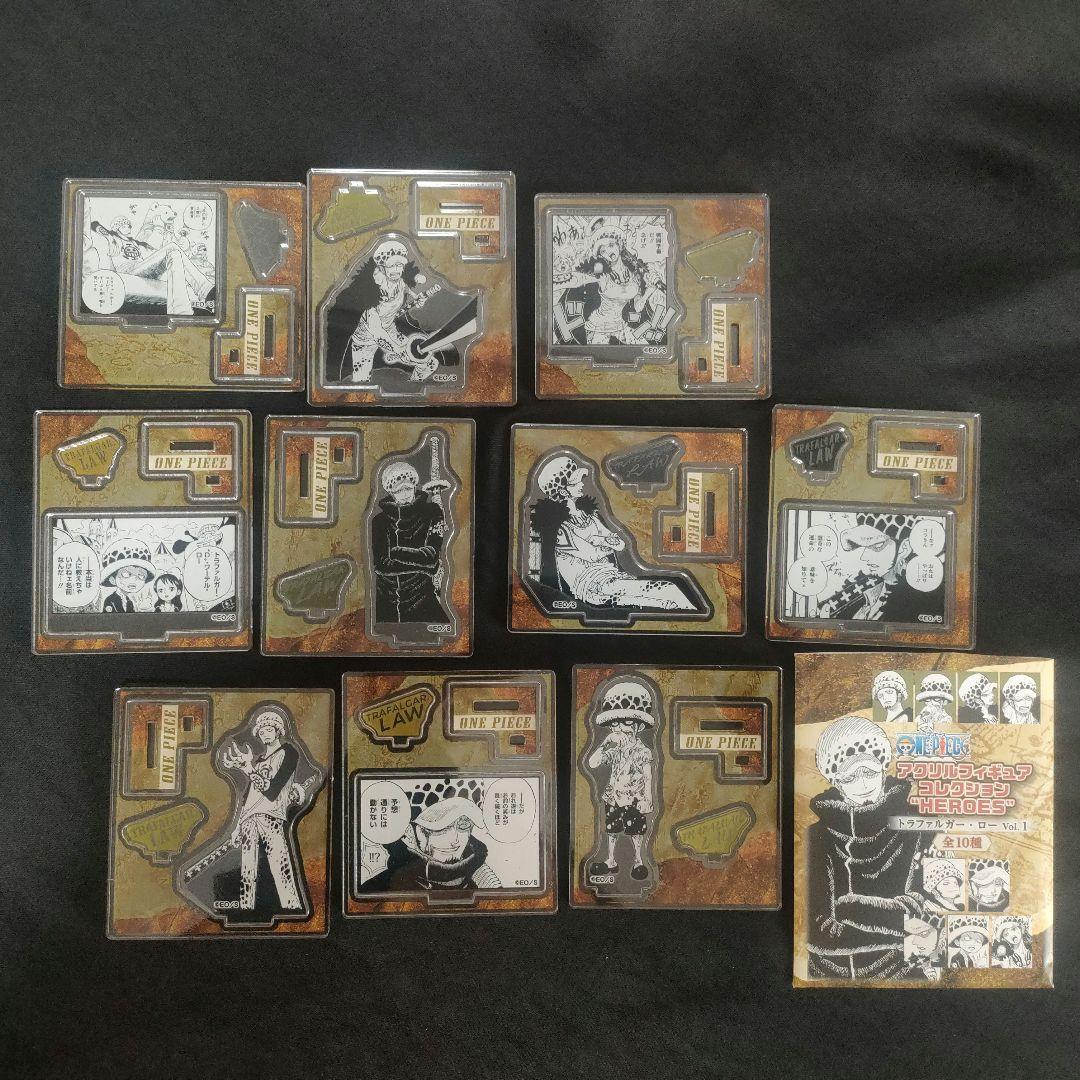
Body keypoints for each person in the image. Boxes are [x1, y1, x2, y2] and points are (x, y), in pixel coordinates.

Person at [806, 714, 935, 980]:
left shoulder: (919, 826)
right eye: (850, 776)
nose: (863, 783)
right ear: (836, 781)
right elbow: (818, 930)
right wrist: (896, 923)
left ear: (883, 769)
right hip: (824, 974)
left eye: (869, 771)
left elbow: (925, 913)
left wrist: (850, 909)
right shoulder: (817, 836)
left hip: (903, 971)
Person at [528, 453, 698, 612]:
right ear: (563, 491)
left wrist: (601, 541)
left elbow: (620, 545)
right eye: (576, 482)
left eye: (581, 480)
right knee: (667, 590)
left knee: (668, 599)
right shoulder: (558, 529)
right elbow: (591, 555)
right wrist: (606, 542)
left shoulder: (590, 515)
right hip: (591, 587)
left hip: (612, 577)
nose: (582, 484)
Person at [326, 238, 455, 385]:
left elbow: (408, 294)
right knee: (361, 383)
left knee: (429, 363)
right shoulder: (368, 293)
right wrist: (399, 350)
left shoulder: (400, 283)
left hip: (390, 330)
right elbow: (377, 332)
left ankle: (412, 386)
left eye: (399, 265)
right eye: (391, 265)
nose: (396, 270)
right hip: (365, 340)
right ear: (381, 267)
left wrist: (418, 300)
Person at [221, 708, 304, 913]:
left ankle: (292, 908)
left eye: (269, 729)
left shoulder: (289, 752)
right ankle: (246, 911)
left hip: (271, 817)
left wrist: (248, 769)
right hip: (249, 819)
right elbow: (249, 797)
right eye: (261, 730)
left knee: (281, 866)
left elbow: (273, 791)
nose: (265, 733)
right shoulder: (258, 761)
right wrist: (237, 826)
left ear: (278, 731)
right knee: (247, 871)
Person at [585, 679, 658, 882]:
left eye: (626, 722)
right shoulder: (613, 747)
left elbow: (648, 775)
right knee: (612, 829)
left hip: (634, 797)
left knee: (636, 830)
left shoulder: (642, 750)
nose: (620, 728)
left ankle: (638, 861)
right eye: (615, 723)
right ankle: (610, 860)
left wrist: (648, 798)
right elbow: (592, 763)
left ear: (639, 725)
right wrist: (606, 743)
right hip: (614, 796)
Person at [552, 222, 671, 346]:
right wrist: (553, 282)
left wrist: (650, 289)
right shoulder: (602, 274)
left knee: (648, 349)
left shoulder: (635, 274)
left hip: (623, 327)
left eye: (611, 245)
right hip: (599, 329)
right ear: (601, 255)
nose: (608, 251)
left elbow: (638, 307)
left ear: (619, 245)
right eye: (603, 250)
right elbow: (576, 278)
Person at [816, 513, 943, 623]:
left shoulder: (926, 600)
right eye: (864, 547)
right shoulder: (863, 588)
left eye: (877, 546)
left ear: (904, 548)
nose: (864, 557)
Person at [369, 461, 452, 626]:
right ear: (390, 492)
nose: (404, 494)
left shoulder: (432, 512)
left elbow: (431, 558)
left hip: (422, 593)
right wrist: (423, 564)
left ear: (415, 485)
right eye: (398, 490)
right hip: (387, 599)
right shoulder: (379, 521)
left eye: (407, 488)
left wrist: (395, 552)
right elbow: (381, 565)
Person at [362, 795, 501, 893]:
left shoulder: (488, 887)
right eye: (441, 828)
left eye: (463, 825)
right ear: (410, 833)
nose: (455, 840)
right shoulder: (378, 889)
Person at [99, 537, 156, 612]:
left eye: (141, 576)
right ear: (112, 579)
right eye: (126, 574)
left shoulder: (130, 601)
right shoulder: (110, 600)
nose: (134, 579)